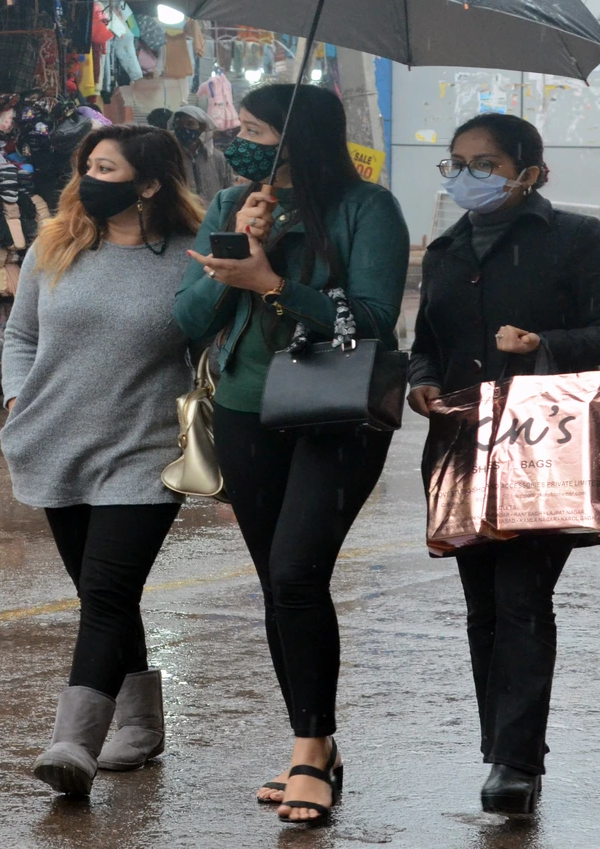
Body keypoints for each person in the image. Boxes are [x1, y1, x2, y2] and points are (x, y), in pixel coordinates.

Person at [175, 83, 410, 826]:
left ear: (295, 139)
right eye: (235, 125)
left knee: (297, 572)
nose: (233, 139)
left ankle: (310, 749)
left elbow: (371, 319)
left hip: (336, 412)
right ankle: (317, 742)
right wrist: (236, 252)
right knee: (278, 586)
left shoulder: (367, 210)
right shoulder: (230, 206)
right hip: (247, 409)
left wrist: (275, 281)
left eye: (251, 129)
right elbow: (186, 318)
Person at [406, 113, 600, 817]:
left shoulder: (575, 238)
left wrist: (545, 343)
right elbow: (425, 341)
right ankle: (502, 750)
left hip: (547, 445)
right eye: (456, 164)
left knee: (521, 600)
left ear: (530, 172)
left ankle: (515, 763)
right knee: (483, 608)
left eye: (487, 165)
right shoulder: (446, 250)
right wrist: (419, 378)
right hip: (461, 446)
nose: (469, 178)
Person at [2, 125, 205, 797]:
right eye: (87, 165)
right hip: (55, 441)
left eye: (107, 167)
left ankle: (73, 743)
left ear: (149, 184)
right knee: (103, 596)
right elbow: (21, 335)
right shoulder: (57, 244)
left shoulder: (193, 258)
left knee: (108, 594)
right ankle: (142, 725)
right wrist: (14, 396)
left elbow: (216, 346)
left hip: (144, 451)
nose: (90, 178)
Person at [172, 104, 238, 204]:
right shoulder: (170, 156)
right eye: (178, 124)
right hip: (182, 216)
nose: (183, 128)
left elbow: (229, 187)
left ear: (202, 127)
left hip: (213, 215)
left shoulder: (217, 157)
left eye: (190, 124)